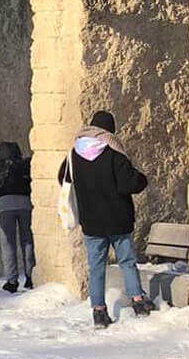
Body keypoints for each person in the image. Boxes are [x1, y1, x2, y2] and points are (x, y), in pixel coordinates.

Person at [58, 110, 154, 328]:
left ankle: (99, 311)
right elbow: (128, 183)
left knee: (96, 267)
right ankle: (138, 301)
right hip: (117, 218)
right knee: (127, 262)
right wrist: (142, 179)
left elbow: (62, 178)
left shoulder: (74, 153)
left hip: (91, 221)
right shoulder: (113, 152)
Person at [0, 140, 34, 293]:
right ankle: (31, 276)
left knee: (8, 244)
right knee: (27, 240)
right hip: (25, 203)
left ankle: (12, 281)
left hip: (4, 205)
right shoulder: (25, 164)